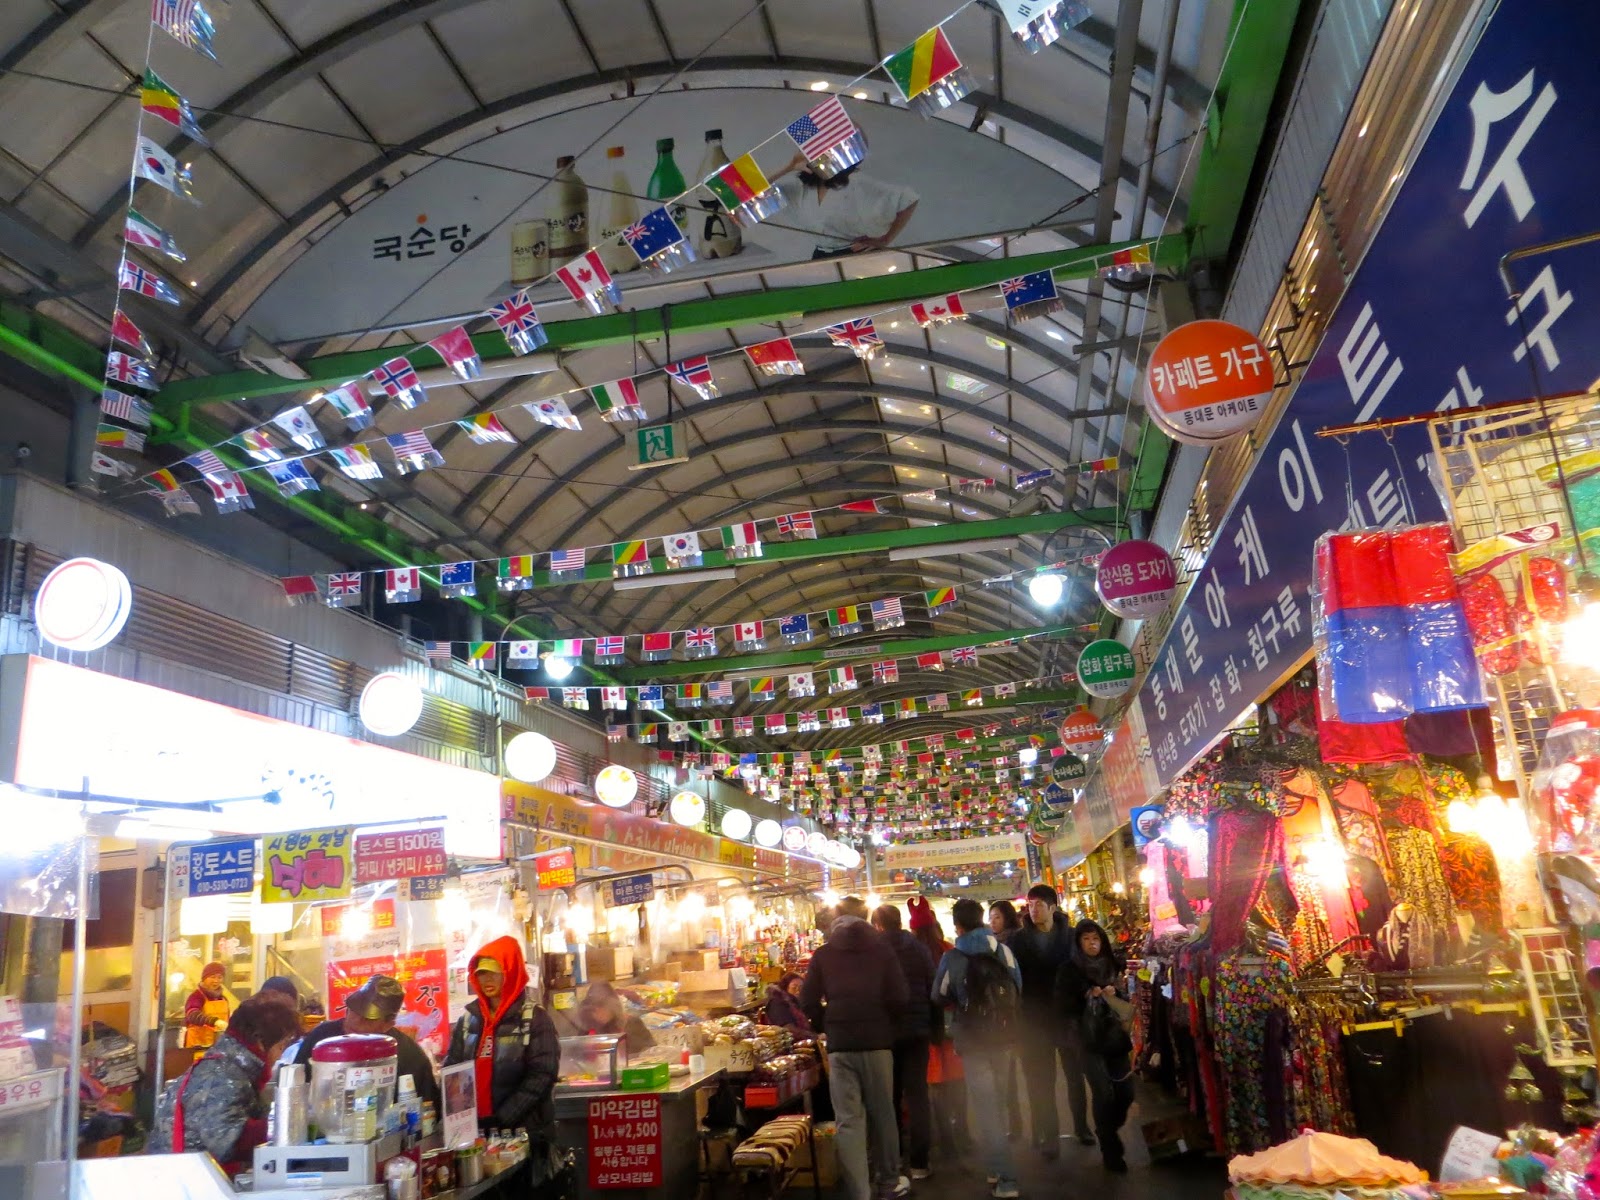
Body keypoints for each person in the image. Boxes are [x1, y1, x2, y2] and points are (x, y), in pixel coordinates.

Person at [801, 896, 909, 1200]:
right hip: (877, 1044)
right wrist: (885, 1024)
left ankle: (859, 1192)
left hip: (840, 1046)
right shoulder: (882, 950)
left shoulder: (823, 954)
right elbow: (900, 997)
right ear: (867, 919)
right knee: (883, 1114)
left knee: (848, 1121)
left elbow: (807, 1000)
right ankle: (889, 1182)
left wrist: (827, 1023)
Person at [152, 993, 302, 1176]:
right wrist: (291, 1122)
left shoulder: (234, 1068)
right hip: (184, 1182)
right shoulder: (220, 1075)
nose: (280, 1055)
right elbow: (227, 1141)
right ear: (260, 1042)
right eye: (280, 1046)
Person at [931, 898, 1023, 1199]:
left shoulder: (952, 957)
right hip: (1003, 1036)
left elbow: (939, 994)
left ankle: (1005, 1176)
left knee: (986, 1110)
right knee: (998, 1101)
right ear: (983, 920)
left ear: (957, 926)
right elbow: (1017, 987)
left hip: (972, 1041)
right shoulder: (1002, 950)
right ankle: (999, 1168)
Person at [445, 936, 560, 1140]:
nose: (487, 980)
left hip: (523, 1133)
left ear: (511, 973)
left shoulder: (534, 1019)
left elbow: (542, 1075)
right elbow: (453, 1070)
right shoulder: (467, 1021)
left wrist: (503, 1119)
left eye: (494, 973)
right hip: (475, 1132)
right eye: (482, 974)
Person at [1053, 918, 1135, 1172]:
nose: (1092, 944)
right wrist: (1087, 996)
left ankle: (1106, 1127)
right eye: (1087, 939)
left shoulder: (1112, 965)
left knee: (1125, 1093)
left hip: (1114, 1038)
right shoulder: (1069, 970)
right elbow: (1062, 1007)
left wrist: (1115, 994)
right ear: (1079, 943)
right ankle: (1110, 1150)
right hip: (1086, 1040)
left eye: (1096, 938)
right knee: (1103, 1093)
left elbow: (1125, 998)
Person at [1009, 884, 1083, 1158]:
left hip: (1066, 1016)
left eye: (1039, 903)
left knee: (1075, 1074)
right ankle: (1047, 1134)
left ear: (1053, 907)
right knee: (1041, 1080)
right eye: (1030, 904)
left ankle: (1082, 1127)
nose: (1034, 908)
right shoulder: (1017, 940)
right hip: (1033, 1019)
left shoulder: (1072, 937)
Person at [294, 975, 440, 1109]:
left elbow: (429, 1110)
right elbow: (293, 1088)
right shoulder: (321, 1037)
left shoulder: (410, 1055)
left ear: (388, 1024)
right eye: (355, 1010)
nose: (356, 1021)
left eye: (368, 1018)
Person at [872, 904, 935, 1180]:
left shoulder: (873, 951)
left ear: (878, 925)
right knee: (918, 1096)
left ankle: (895, 1159)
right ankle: (920, 1163)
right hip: (918, 1031)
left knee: (890, 1098)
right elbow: (932, 984)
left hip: (886, 1034)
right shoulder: (919, 948)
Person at [907, 897, 968, 1157]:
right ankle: (963, 1133)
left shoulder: (909, 953)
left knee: (936, 1087)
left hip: (925, 1030)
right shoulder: (948, 949)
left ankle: (946, 1140)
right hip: (951, 1027)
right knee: (958, 1083)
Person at [773, 152, 920, 259]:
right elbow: (752, 195)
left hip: (855, 253)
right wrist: (789, 166)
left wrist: (885, 240)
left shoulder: (856, 182)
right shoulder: (801, 190)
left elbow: (908, 199)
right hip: (820, 256)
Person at [986, 901, 1026, 1142]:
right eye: (991, 917)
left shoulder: (1010, 944)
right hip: (1007, 1015)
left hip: (1012, 1015)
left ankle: (1016, 1123)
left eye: (997, 917)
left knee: (1011, 1072)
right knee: (1008, 1073)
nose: (993, 922)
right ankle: (1015, 1122)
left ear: (1008, 918)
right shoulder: (993, 944)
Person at [182, 962, 231, 1051]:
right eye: (212, 977)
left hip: (218, 1047)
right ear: (204, 978)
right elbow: (192, 1014)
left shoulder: (223, 998)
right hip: (197, 1047)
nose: (216, 981)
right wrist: (215, 1021)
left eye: (219, 977)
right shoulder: (196, 996)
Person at [763, 972, 813, 1037]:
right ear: (785, 987)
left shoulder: (794, 1001)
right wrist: (814, 1036)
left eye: (801, 987)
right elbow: (788, 1029)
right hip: (786, 1041)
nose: (798, 991)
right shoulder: (777, 1002)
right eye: (794, 987)